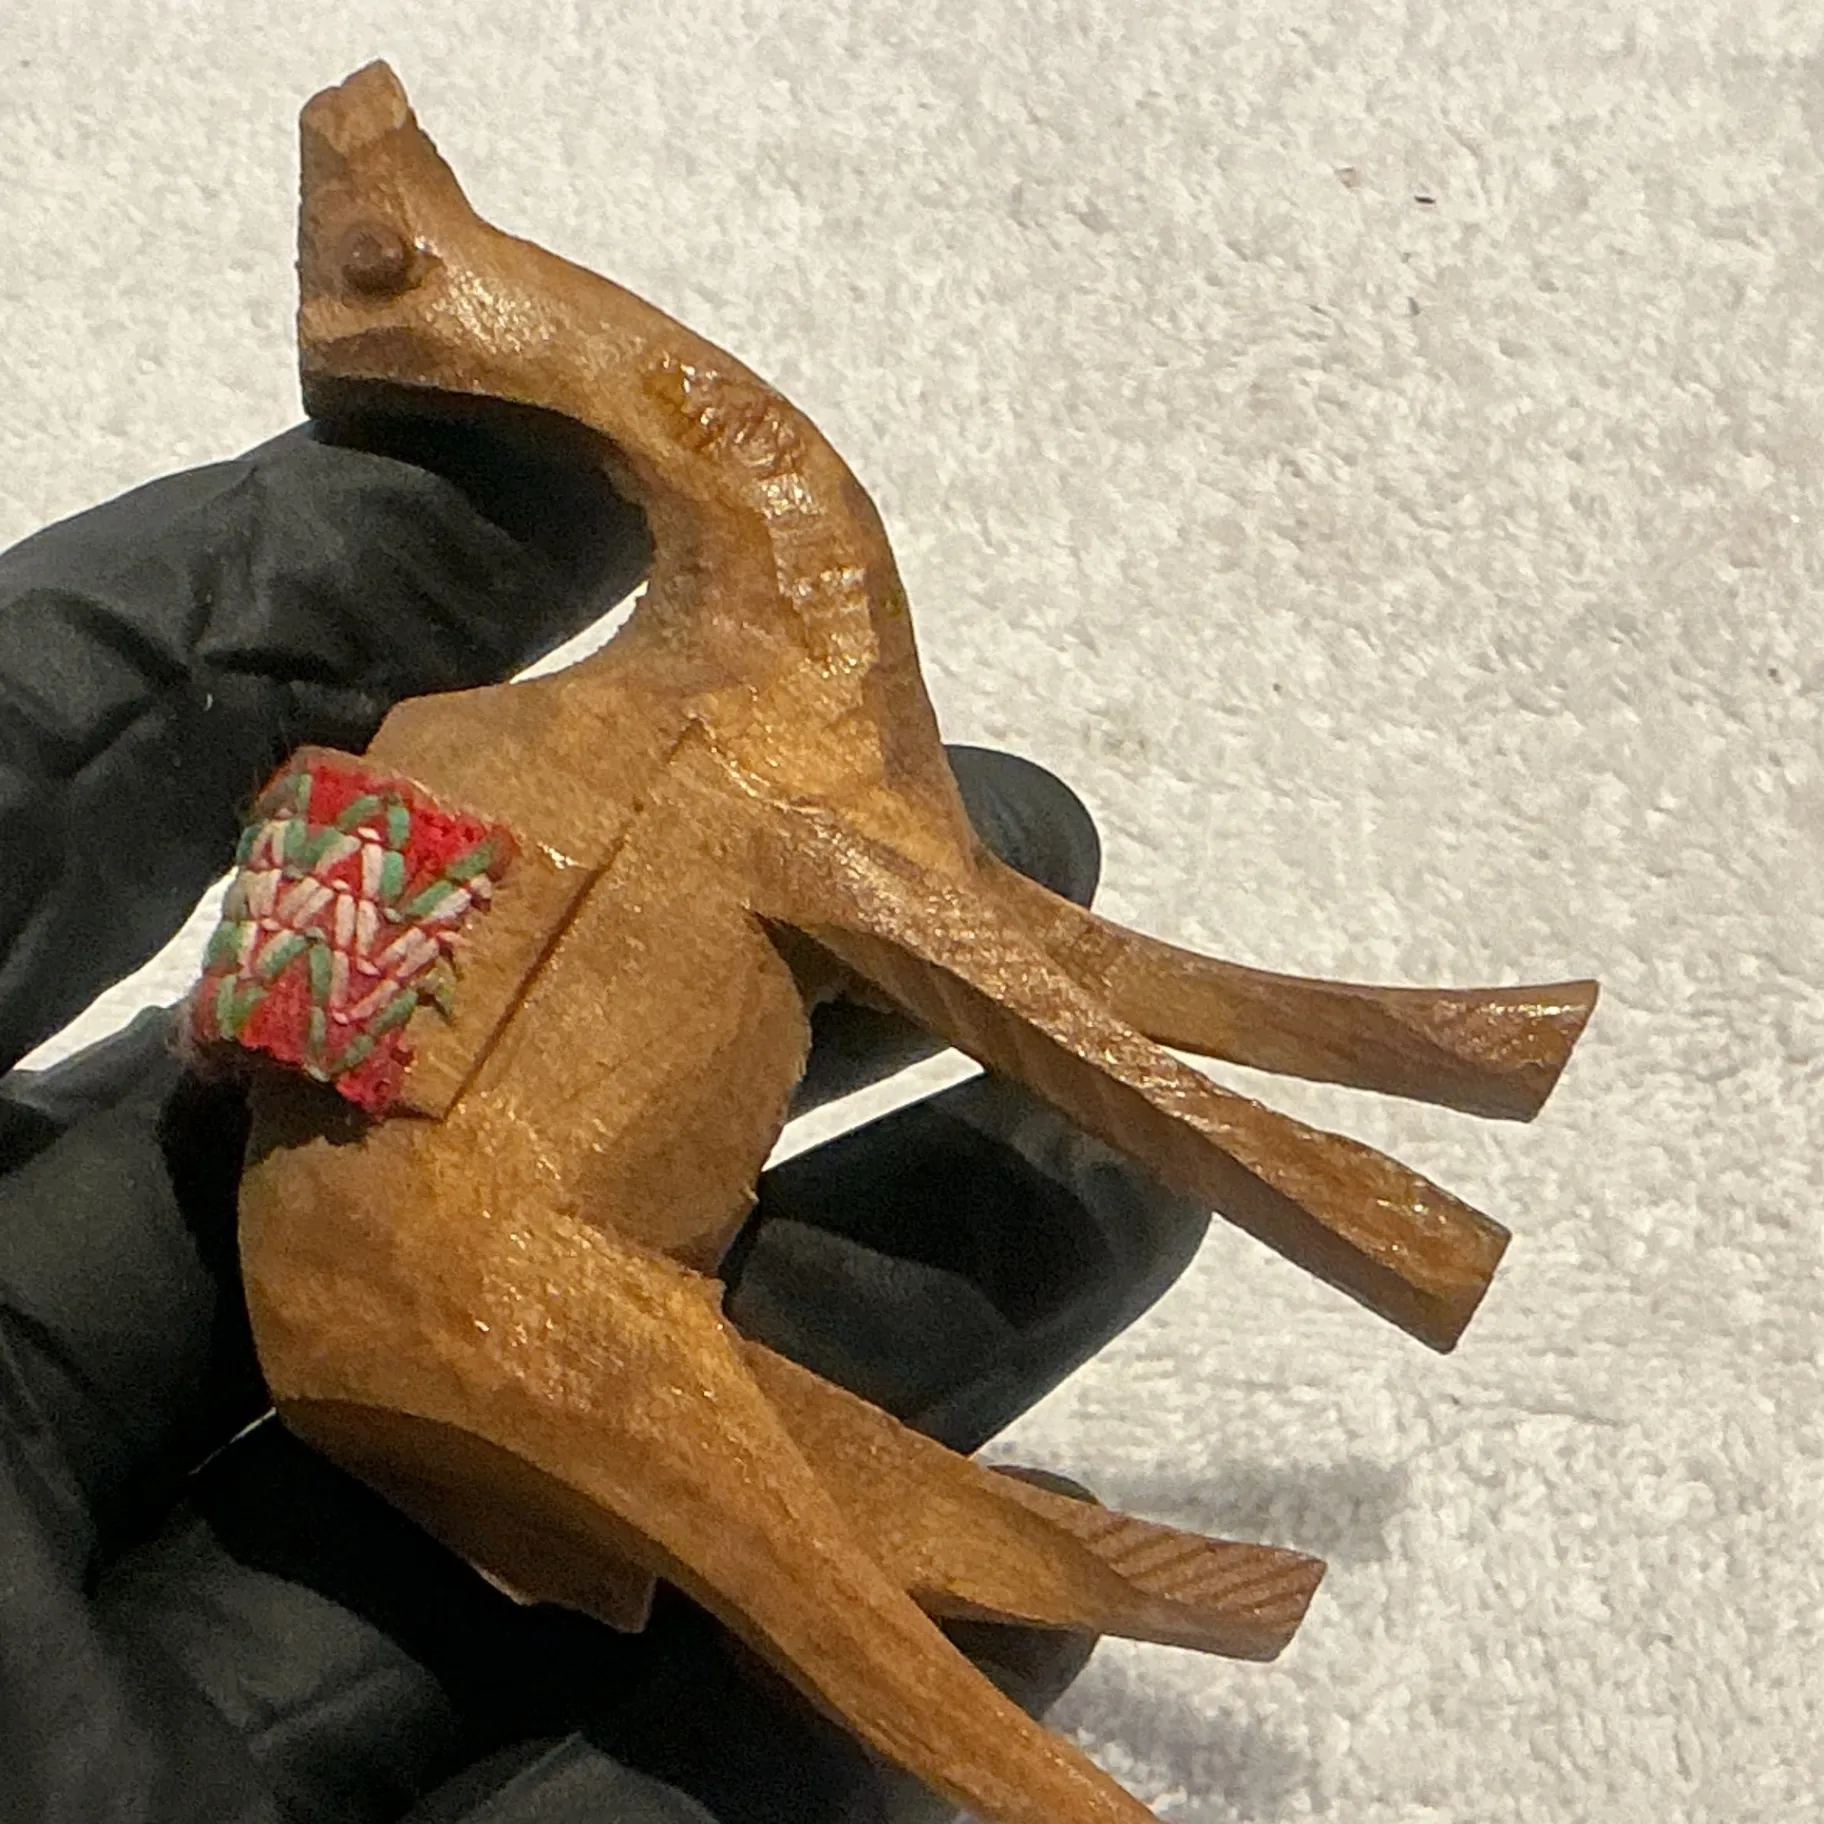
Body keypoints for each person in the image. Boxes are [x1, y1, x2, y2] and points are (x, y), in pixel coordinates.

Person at [0, 415, 1213, 1823]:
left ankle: (1160, 1574)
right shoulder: (447, 771)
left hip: (405, 1166)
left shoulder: (486, 769)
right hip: (372, 1248)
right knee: (783, 1510)